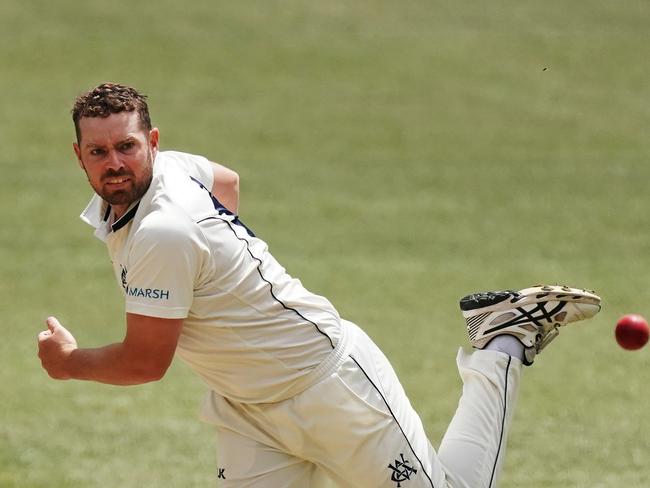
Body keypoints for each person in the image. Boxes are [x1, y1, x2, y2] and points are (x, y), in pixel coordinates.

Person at [38, 82, 601, 488]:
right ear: (79, 155)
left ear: (151, 141)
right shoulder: (173, 170)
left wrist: (69, 362)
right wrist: (232, 275)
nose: (115, 162)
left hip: (330, 389)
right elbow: (227, 182)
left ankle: (502, 343)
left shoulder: (164, 231)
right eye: (99, 151)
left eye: (126, 147)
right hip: (247, 408)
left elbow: (144, 363)